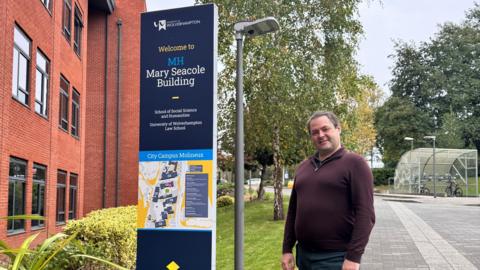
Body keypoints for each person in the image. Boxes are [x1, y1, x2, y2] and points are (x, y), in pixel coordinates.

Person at [281, 111, 375, 270]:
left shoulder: (355, 164)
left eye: (326, 129)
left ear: (338, 129)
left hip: (335, 258)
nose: (320, 135)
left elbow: (366, 215)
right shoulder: (303, 168)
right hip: (303, 256)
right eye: (315, 132)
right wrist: (286, 249)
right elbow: (292, 212)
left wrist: (353, 258)